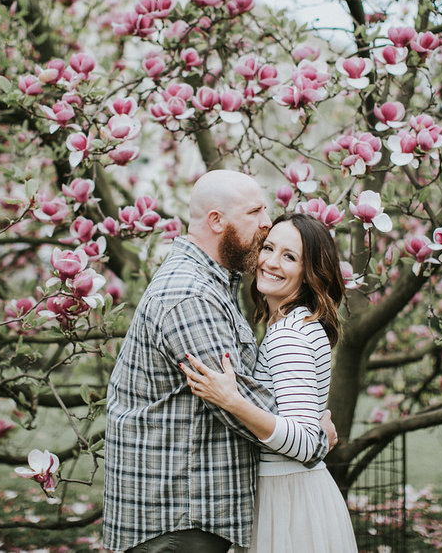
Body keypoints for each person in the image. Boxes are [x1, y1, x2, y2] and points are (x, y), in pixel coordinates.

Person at [102, 171, 336, 553]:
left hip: (185, 516)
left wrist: (303, 421)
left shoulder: (213, 286)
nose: (266, 221)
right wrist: (311, 433)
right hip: (176, 518)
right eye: (255, 211)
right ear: (217, 221)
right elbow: (241, 405)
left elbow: (243, 396)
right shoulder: (191, 295)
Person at [180, 212, 358, 553]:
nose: (271, 262)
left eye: (289, 257)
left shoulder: (288, 335)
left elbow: (306, 443)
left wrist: (232, 401)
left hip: (288, 499)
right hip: (295, 493)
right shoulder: (299, 325)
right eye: (269, 248)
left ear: (309, 274)